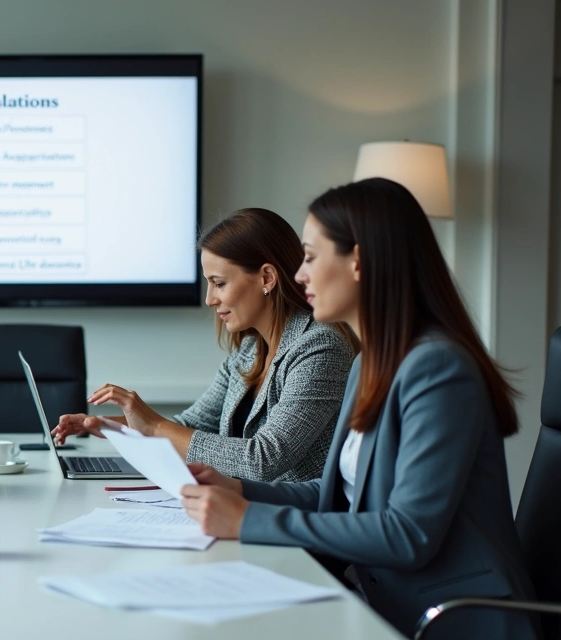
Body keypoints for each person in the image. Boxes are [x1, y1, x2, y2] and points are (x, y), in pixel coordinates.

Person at [180, 179, 536, 639]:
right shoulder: (370, 362)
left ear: (358, 263)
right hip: (382, 600)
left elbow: (407, 535)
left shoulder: (438, 369)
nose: (299, 275)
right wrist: (241, 489)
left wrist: (248, 520)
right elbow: (341, 499)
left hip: (453, 617)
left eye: (310, 257)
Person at [53, 208, 357, 482]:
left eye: (219, 283)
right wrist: (108, 425)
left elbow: (263, 460)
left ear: (267, 277)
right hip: (239, 506)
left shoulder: (320, 347)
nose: (210, 299)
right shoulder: (249, 350)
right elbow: (190, 425)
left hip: (291, 517)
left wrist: (154, 426)